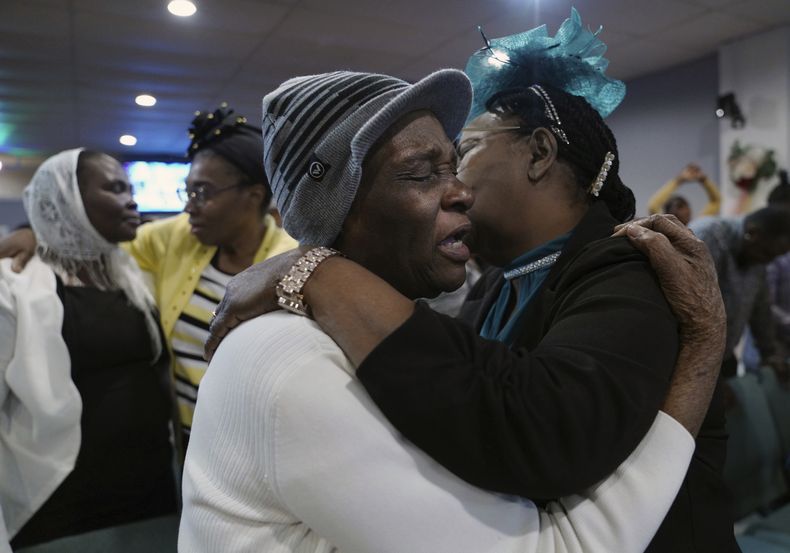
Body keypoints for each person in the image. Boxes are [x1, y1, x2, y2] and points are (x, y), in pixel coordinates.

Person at [206, 11, 737, 552]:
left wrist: (316, 272)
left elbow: (540, 430)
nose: (457, 186)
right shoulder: (488, 291)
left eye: (463, 154)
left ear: (539, 153)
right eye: (426, 172)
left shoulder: (630, 268)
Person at [0, 106, 297, 448]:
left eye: (202, 193)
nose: (188, 207)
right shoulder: (181, 239)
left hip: (255, 441)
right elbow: (93, 237)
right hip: (185, 442)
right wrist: (35, 232)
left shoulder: (289, 265)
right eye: (187, 192)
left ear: (254, 195)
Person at [1, 149, 177, 550]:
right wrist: (36, 230)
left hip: (151, 493)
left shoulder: (129, 273)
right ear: (69, 201)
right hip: (60, 503)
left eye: (130, 188)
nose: (132, 199)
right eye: (115, 188)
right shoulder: (14, 282)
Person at [690, 206, 790, 382]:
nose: (767, 261)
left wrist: (770, 355)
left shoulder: (757, 257)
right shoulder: (708, 237)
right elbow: (689, 312)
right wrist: (707, 378)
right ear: (753, 233)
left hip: (723, 358)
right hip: (688, 362)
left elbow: (761, 311)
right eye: (767, 253)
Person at [647, 163, 721, 225]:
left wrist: (704, 180)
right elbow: (653, 206)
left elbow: (716, 201)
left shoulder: (697, 226)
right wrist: (679, 180)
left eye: (686, 206)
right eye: (679, 207)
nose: (685, 211)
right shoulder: (665, 228)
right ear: (669, 213)